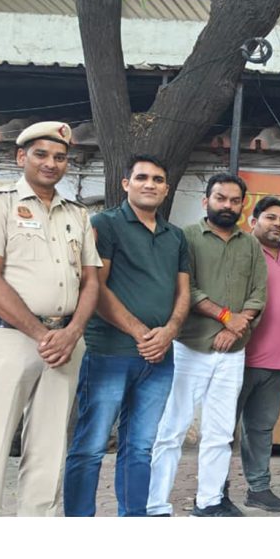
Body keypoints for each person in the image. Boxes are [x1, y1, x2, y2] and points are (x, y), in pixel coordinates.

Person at [0, 121, 101, 516]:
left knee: (49, 447)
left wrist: (73, 332)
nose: (51, 163)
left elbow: (91, 281)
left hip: (65, 344)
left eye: (60, 157)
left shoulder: (77, 214)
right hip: (10, 340)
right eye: (41, 154)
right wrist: (43, 334)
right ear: (20, 157)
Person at [63, 154, 190, 517]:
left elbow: (183, 291)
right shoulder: (105, 224)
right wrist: (141, 333)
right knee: (90, 446)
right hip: (110, 353)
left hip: (159, 359)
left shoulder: (175, 236)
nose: (150, 184)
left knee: (140, 447)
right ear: (126, 184)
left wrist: (170, 331)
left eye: (158, 179)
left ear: (166, 189)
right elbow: (95, 288)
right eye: (142, 177)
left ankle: (133, 518)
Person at [147, 173, 267, 517]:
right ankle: (155, 505)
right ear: (206, 201)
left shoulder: (251, 245)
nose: (227, 205)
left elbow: (259, 292)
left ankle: (209, 501)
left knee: (220, 431)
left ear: (242, 205)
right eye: (220, 198)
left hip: (232, 352)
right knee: (172, 429)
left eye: (234, 200)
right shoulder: (185, 237)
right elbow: (185, 288)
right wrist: (226, 317)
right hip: (190, 347)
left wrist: (235, 328)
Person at [231, 196, 280, 513]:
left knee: (261, 429)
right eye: (270, 217)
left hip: (277, 363)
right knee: (223, 430)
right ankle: (212, 490)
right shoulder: (242, 251)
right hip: (239, 358)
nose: (278, 224)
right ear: (254, 221)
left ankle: (258, 489)